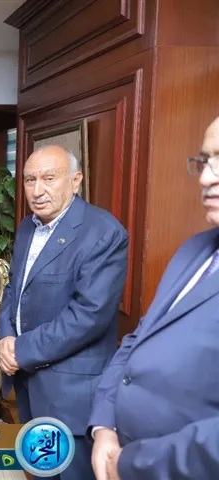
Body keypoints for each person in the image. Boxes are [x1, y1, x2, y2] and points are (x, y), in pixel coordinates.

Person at [88, 117, 219, 480]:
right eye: (205, 161)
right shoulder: (194, 248)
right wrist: (105, 425)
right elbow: (137, 338)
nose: (206, 178)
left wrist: (130, 464)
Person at [0, 145, 129, 479]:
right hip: (28, 381)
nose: (37, 190)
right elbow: (14, 288)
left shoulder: (104, 232)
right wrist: (5, 337)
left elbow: (89, 314)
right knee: (40, 470)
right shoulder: (27, 227)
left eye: (49, 178)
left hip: (70, 391)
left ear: (76, 180)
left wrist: (21, 349)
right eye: (30, 180)